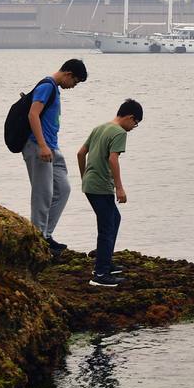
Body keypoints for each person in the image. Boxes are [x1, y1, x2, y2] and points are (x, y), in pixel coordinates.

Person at [22, 58, 87, 255]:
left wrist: (49, 146)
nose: (73, 86)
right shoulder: (47, 86)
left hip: (52, 147)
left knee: (63, 189)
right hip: (38, 146)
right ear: (68, 74)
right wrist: (42, 145)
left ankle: (46, 235)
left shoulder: (54, 89)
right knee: (42, 194)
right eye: (75, 82)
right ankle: (38, 238)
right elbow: (33, 115)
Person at [77, 98, 143, 288]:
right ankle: (100, 274)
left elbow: (80, 153)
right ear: (130, 117)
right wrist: (119, 188)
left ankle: (105, 262)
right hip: (101, 186)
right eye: (135, 123)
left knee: (114, 219)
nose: (133, 128)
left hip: (90, 184)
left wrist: (84, 177)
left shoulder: (100, 128)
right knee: (106, 227)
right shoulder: (119, 132)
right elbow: (113, 159)